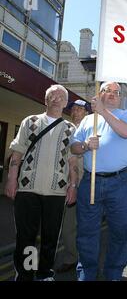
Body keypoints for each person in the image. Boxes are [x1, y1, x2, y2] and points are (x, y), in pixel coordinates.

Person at [5, 85, 78, 281]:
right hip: (28, 189)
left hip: (57, 192)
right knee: (26, 237)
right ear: (45, 100)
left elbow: (72, 161)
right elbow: (17, 152)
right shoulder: (30, 121)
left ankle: (45, 273)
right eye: (51, 96)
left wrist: (73, 186)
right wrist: (12, 180)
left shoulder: (71, 129)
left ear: (65, 103)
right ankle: (25, 274)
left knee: (50, 237)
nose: (55, 98)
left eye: (60, 96)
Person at [71, 81, 127, 281]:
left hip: (120, 182)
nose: (112, 94)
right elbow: (74, 146)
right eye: (107, 90)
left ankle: (114, 274)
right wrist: (85, 146)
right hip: (91, 181)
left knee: (119, 230)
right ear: (100, 94)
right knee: (87, 231)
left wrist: (103, 112)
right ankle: (87, 273)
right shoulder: (87, 120)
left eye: (116, 92)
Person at [56, 100, 90, 273]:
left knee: (85, 224)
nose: (75, 111)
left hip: (85, 182)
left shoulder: (92, 130)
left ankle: (85, 260)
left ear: (87, 113)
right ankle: (71, 257)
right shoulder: (63, 128)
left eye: (80, 109)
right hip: (63, 181)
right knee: (68, 224)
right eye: (73, 109)